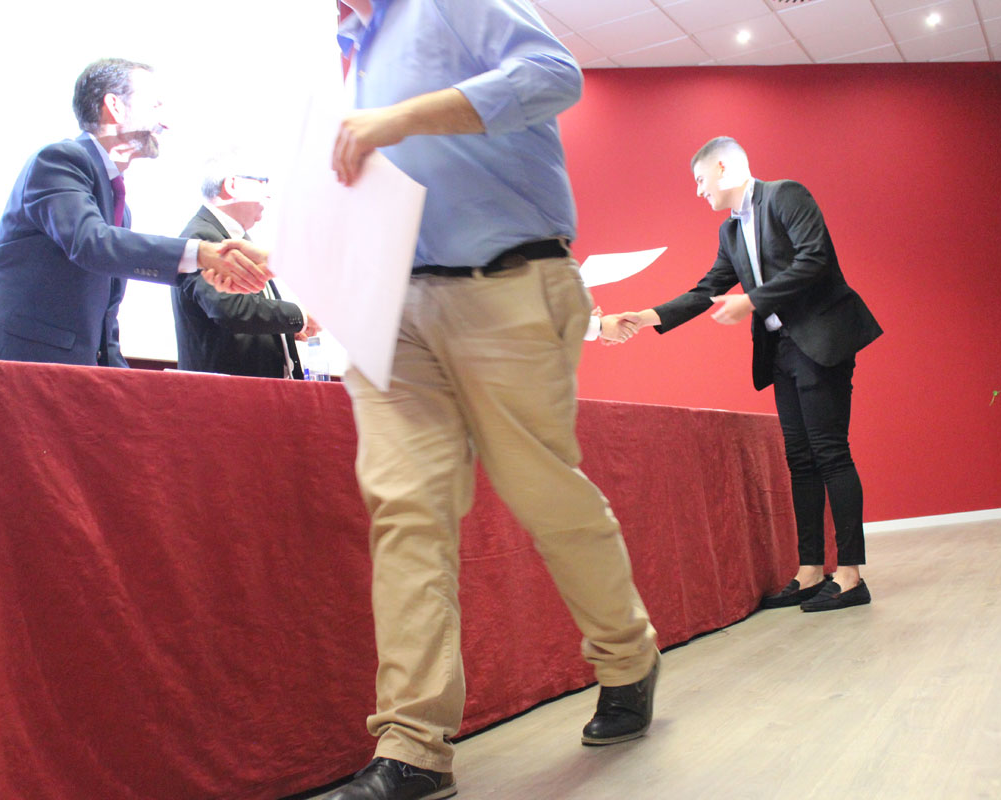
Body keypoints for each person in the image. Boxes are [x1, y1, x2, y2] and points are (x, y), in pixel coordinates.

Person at [329, 2, 660, 798]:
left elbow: (554, 75)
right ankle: (412, 746)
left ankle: (627, 656)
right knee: (405, 510)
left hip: (507, 283)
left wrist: (397, 118)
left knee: (543, 493)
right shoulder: (347, 50)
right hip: (390, 304)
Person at [603, 136, 883, 614]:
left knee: (831, 453)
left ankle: (851, 576)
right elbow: (706, 290)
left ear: (722, 168)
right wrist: (643, 318)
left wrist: (752, 300)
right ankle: (810, 571)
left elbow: (814, 258)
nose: (699, 191)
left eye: (700, 179)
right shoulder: (729, 233)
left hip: (821, 340)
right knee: (800, 461)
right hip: (782, 351)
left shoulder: (785, 195)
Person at [0, 58, 268, 367]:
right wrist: (202, 254)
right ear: (115, 106)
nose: (165, 122)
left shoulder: (118, 207)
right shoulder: (60, 159)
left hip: (60, 370)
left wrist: (121, 380)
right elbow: (92, 243)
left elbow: (105, 314)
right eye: (154, 106)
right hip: (5, 361)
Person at [172, 163, 320, 378]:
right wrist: (299, 316)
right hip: (223, 392)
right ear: (232, 185)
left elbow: (244, 316)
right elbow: (231, 309)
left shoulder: (233, 238)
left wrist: (282, 332)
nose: (268, 195)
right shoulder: (202, 238)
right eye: (262, 183)